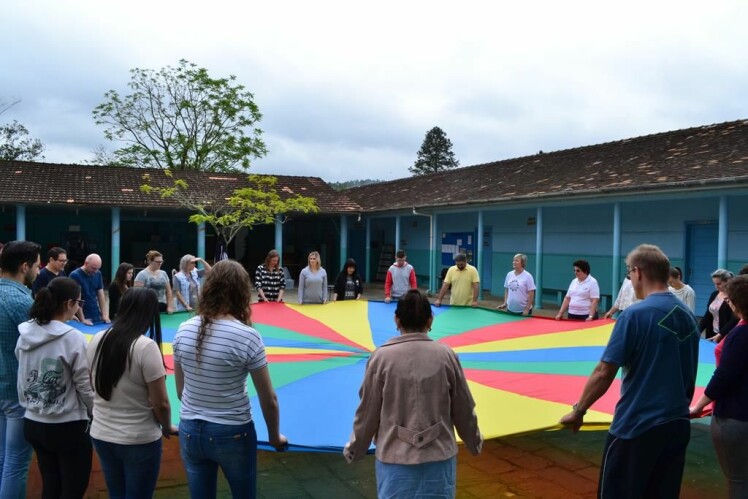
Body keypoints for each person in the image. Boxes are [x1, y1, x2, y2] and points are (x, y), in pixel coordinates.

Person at [559, 244, 699, 499]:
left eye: (628, 272)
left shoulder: (635, 315)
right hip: (677, 424)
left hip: (637, 426)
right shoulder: (688, 317)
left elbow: (604, 371)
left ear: (637, 272)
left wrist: (579, 410)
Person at [344, 289, 482, 497]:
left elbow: (367, 413)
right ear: (430, 320)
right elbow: (463, 407)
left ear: (396, 320)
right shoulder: (446, 356)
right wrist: (474, 441)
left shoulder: (381, 358)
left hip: (395, 459)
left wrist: (356, 448)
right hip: (439, 457)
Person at [173, 260, 287, 498]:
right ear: (241, 292)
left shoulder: (183, 329)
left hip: (190, 429)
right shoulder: (247, 336)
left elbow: (180, 391)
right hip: (232, 431)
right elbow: (269, 399)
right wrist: (275, 436)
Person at [87, 287, 175, 499]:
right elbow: (161, 402)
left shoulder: (97, 338)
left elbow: (91, 383)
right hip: (138, 437)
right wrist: (166, 426)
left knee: (117, 493)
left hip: (102, 433)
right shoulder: (146, 347)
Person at [16, 277, 94, 498]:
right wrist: (94, 410)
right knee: (73, 488)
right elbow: (84, 384)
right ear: (69, 303)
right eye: (79, 302)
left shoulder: (26, 333)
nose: (79, 307)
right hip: (67, 425)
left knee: (50, 485)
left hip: (33, 421)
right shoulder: (73, 338)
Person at [690, 275, 748, 498]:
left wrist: (698, 405)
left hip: (735, 415)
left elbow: (724, 376)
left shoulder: (740, 335)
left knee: (739, 480)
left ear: (734, 302)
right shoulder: (740, 329)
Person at [0, 240, 40, 498]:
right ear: (25, 266)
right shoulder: (22, 302)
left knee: (3, 457)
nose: (39, 270)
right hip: (17, 392)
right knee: (15, 462)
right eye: (38, 265)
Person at [69, 253, 110, 325]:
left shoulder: (98, 274)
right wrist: (82, 319)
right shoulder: (75, 275)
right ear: (86, 263)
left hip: (95, 313)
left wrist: (104, 314)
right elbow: (77, 299)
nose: (95, 271)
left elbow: (101, 295)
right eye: (93, 268)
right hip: (81, 314)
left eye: (98, 268)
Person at [699, 269, 738, 342]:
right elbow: (708, 315)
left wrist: (721, 334)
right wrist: (698, 330)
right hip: (712, 333)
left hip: (726, 335)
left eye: (719, 284)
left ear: (728, 281)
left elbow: (735, 319)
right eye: (715, 284)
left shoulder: (734, 296)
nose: (716, 286)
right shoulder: (714, 294)